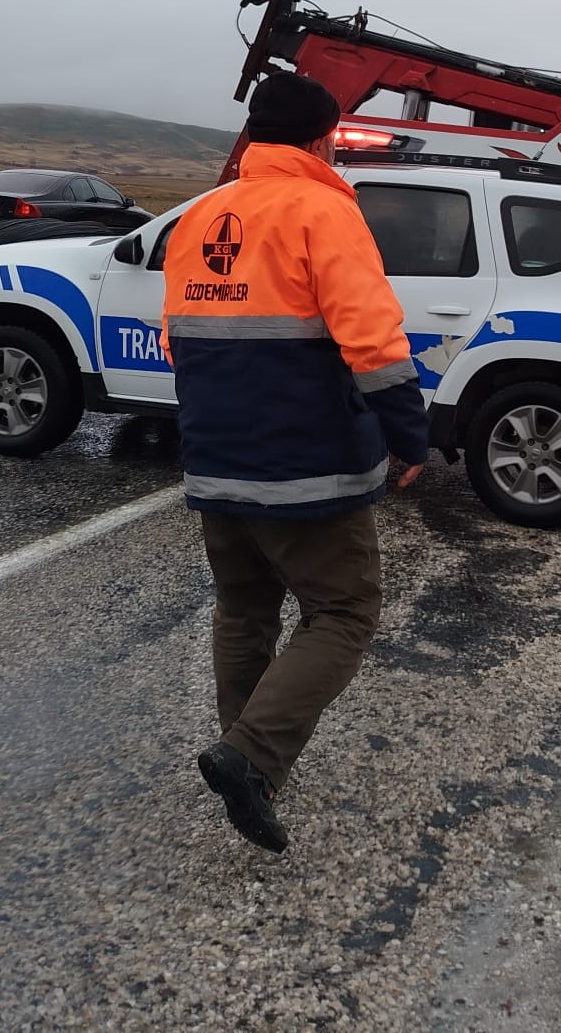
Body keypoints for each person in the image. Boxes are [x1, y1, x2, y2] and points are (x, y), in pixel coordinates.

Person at [161, 71, 429, 852]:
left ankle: (249, 758)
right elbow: (373, 344)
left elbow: (179, 342)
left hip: (215, 454)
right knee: (343, 613)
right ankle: (251, 754)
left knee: (244, 609)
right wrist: (410, 436)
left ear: (254, 137)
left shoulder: (200, 218)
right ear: (323, 139)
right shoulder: (325, 211)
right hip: (307, 462)